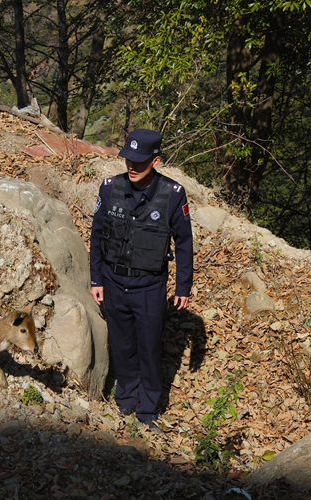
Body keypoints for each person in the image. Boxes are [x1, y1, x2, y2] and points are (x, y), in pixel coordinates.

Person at [89, 128, 193, 433]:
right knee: (122, 345)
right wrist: (96, 279)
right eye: (128, 160)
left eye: (140, 161)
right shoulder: (110, 188)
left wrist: (183, 286)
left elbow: (184, 243)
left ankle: (148, 410)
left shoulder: (172, 195)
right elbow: (97, 236)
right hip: (113, 282)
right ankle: (126, 398)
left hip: (149, 288)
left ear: (155, 161)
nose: (132, 166)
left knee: (148, 349)